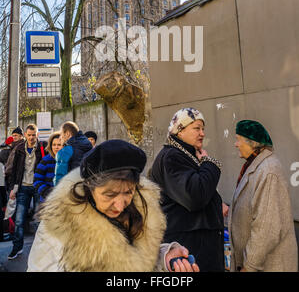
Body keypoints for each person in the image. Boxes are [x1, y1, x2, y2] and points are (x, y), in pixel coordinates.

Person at [27, 139, 200, 272]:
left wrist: (164, 257)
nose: (120, 204)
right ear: (90, 190)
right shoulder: (58, 224)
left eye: (128, 192)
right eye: (110, 195)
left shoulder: (138, 212)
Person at [150, 107, 226, 272]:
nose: (202, 134)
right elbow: (195, 196)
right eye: (196, 128)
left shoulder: (186, 155)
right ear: (180, 131)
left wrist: (216, 203)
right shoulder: (172, 156)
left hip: (196, 247)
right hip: (188, 250)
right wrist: (208, 164)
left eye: (203, 129)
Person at [228, 120, 298, 272]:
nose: (236, 144)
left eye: (238, 139)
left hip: (269, 265)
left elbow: (267, 228)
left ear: (252, 143)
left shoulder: (268, 171)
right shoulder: (255, 165)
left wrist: (249, 266)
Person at [7, 124, 44, 260]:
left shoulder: (42, 148)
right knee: (19, 220)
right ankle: (17, 247)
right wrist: (12, 188)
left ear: (37, 135)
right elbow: (15, 170)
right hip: (22, 187)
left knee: (39, 220)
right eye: (29, 135)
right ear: (25, 135)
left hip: (37, 187)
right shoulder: (20, 149)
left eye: (34, 135)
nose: (31, 137)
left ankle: (41, 249)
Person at [54, 121, 92, 186]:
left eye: (61, 134)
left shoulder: (65, 151)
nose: (60, 137)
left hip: (71, 189)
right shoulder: (89, 147)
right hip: (88, 187)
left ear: (68, 134)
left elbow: (59, 178)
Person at [34, 132, 62, 202]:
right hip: (47, 201)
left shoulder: (69, 160)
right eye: (54, 145)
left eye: (59, 145)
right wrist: (46, 192)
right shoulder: (46, 160)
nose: (56, 147)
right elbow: (37, 179)